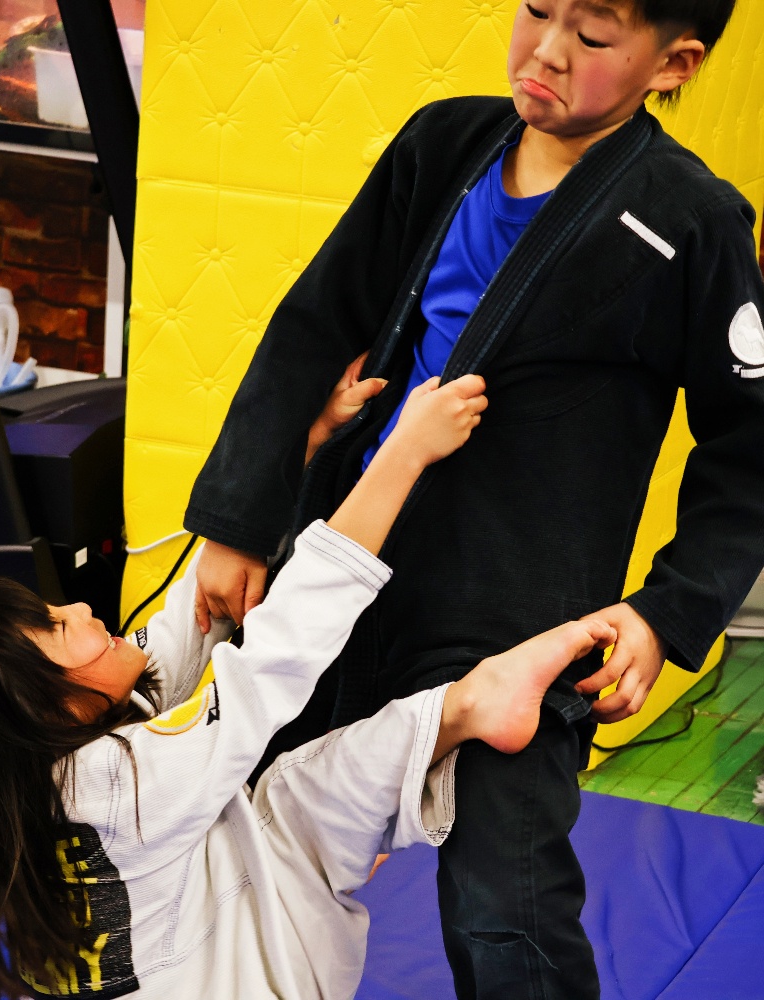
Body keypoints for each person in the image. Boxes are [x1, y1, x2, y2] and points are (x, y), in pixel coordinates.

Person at [184, 1, 764, 997]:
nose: (546, 49)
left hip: (515, 623)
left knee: (507, 909)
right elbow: (316, 321)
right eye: (536, 8)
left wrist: (665, 614)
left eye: (592, 37)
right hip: (346, 565)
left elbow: (748, 446)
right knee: (231, 834)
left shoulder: (690, 218)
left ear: (672, 64)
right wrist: (240, 522)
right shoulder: (443, 144)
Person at [0, 371, 618, 1000]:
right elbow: (272, 657)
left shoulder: (34, 780)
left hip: (198, 959)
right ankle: (473, 703)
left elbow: (187, 624)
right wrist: (402, 455)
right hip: (264, 979)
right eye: (61, 628)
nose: (79, 608)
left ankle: (459, 715)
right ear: (46, 708)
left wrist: (289, 459)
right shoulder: (117, 782)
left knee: (267, 784)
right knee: (294, 792)